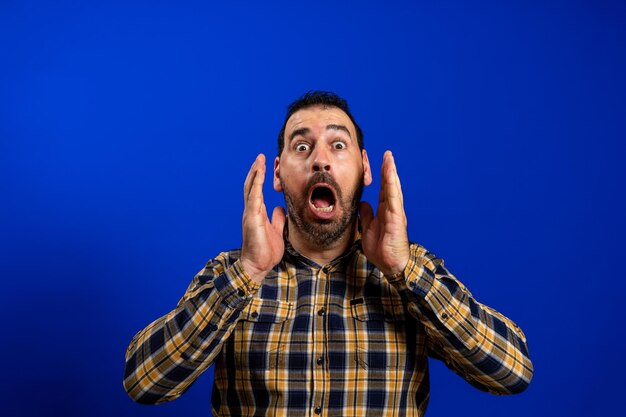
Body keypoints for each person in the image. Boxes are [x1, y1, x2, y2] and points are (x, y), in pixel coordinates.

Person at [123, 91, 533, 416]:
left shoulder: (410, 272)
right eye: (302, 148)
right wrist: (247, 272)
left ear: (365, 169)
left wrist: (406, 269)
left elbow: (513, 371)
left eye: (338, 144)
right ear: (279, 174)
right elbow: (143, 382)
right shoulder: (231, 274)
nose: (321, 159)